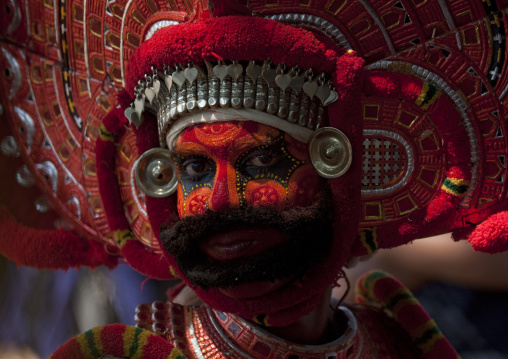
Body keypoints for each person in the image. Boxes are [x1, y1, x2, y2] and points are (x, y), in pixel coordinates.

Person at [1, 1, 508, 358]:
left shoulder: (401, 339)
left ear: (337, 168)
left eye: (263, 163)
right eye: (195, 169)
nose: (221, 201)